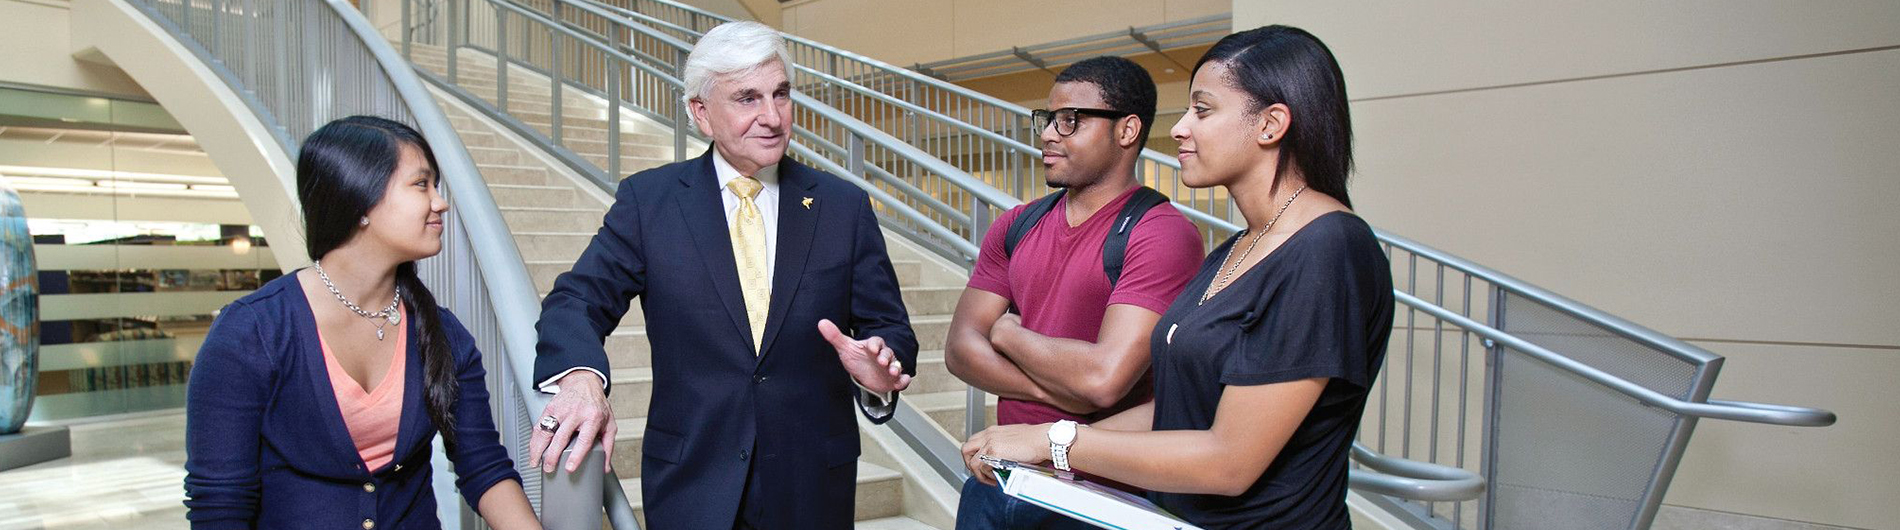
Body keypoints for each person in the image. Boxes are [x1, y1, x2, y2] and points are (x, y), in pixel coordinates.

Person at [960, 26, 1395, 529]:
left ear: (1271, 124)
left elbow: (1229, 461)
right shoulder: (1238, 248)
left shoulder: (1327, 249)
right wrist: (1047, 443)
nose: (1181, 128)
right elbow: (1178, 411)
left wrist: (1056, 442)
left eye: (1203, 110)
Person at [527, 21, 917, 529]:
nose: (772, 117)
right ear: (701, 113)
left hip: (812, 488)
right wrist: (580, 379)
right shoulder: (651, 202)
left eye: (781, 94)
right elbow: (576, 300)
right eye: (747, 98)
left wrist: (879, 369)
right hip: (693, 484)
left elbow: (892, 329)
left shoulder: (843, 207)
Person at [183, 116, 538, 529]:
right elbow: (220, 506)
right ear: (361, 200)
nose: (439, 202)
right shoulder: (251, 333)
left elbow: (483, 467)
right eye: (422, 184)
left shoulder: (443, 333)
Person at [945, 56, 1204, 529]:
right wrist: (1068, 400)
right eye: (1047, 120)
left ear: (1126, 131)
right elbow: (961, 350)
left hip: (1095, 493)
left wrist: (1007, 335)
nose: (1047, 134)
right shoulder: (1018, 223)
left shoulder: (1160, 233)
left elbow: (1103, 379)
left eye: (1070, 121)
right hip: (997, 474)